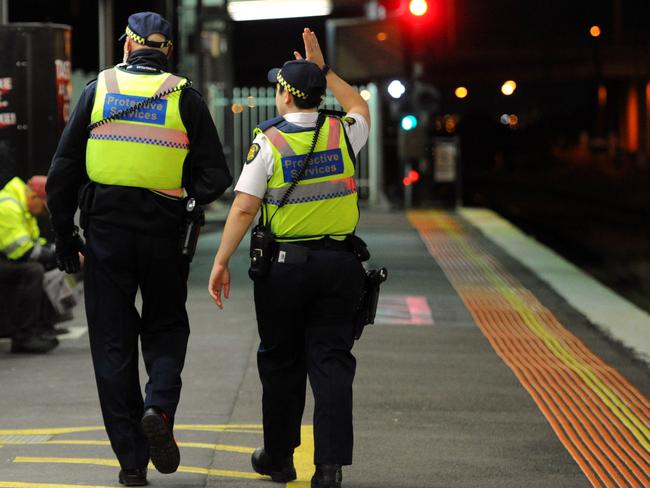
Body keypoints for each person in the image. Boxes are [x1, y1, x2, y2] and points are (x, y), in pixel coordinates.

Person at [46, 11, 232, 487]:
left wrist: (65, 237)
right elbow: (216, 176)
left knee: (112, 343)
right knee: (167, 326)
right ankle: (160, 407)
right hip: (164, 236)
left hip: (105, 233)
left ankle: (132, 462)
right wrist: (185, 197)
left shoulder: (99, 90)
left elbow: (63, 172)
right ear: (166, 49)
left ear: (127, 45)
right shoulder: (184, 95)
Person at [209, 28, 370, 488]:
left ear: (284, 94)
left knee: (280, 361)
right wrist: (326, 69)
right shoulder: (344, 132)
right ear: (318, 94)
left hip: (284, 271)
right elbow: (360, 104)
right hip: (340, 268)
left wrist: (221, 261)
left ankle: (279, 458)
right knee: (331, 361)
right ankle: (330, 466)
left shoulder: (270, 142)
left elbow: (243, 206)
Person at [0, 175, 59, 353]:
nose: (43, 213)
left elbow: (33, 242)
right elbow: (23, 251)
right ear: (34, 197)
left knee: (45, 266)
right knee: (33, 271)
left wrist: (59, 251)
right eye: (43, 207)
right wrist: (57, 255)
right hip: (7, 257)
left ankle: (41, 326)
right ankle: (23, 336)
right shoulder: (9, 207)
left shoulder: (22, 207)